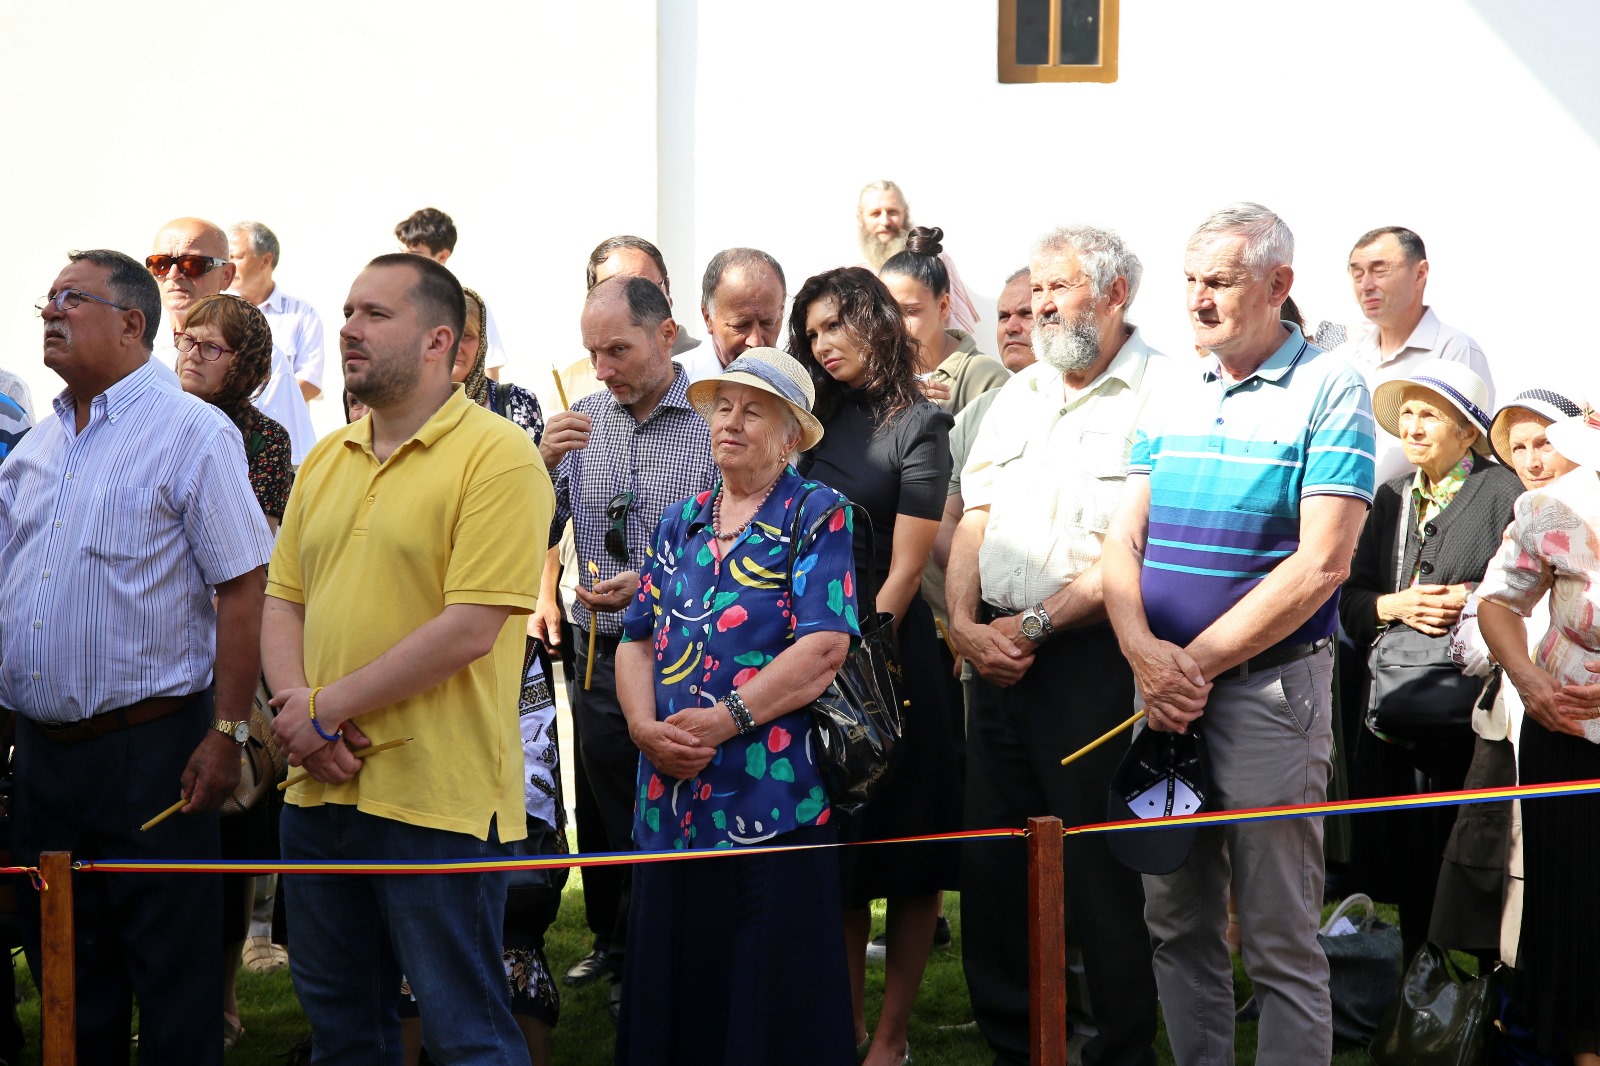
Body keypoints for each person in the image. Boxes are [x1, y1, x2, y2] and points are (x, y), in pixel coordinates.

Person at [1102, 203, 1376, 1063]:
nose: (1197, 299)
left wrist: (1191, 665)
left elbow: (1323, 563)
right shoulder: (1173, 386)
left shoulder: (1331, 385)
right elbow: (1121, 539)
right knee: (1176, 923)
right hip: (1162, 694)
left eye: (1218, 281)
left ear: (1279, 285)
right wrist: (1146, 657)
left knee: (1278, 939)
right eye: (1189, 281)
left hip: (1267, 692)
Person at [262, 252, 551, 1063]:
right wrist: (300, 718)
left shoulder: (498, 456)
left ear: (440, 342)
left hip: (439, 803)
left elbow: (470, 627)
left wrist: (321, 710)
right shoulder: (325, 457)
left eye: (374, 315)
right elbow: (283, 598)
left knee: (468, 1035)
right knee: (344, 1034)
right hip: (318, 792)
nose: (347, 328)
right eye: (348, 310)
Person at [3, 249, 272, 1064]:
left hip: (155, 752)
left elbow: (243, 588)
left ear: (131, 323)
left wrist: (226, 733)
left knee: (172, 982)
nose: (50, 312)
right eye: (47, 300)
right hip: (45, 758)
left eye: (71, 300)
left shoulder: (193, 433)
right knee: (68, 970)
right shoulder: (36, 449)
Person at [948, 225, 1174, 1066]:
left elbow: (1134, 544)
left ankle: (1117, 1046)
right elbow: (975, 512)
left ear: (1115, 295)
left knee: (1097, 869)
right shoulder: (1021, 391)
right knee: (994, 861)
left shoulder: (1163, 392)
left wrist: (1032, 626)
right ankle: (1017, 1042)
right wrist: (967, 627)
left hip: (1091, 660)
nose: (1040, 305)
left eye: (1060, 288)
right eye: (1035, 289)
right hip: (994, 658)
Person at [612, 348, 857, 1064]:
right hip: (670, 795)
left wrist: (725, 721)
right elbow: (635, 641)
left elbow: (822, 650)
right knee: (675, 991)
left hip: (767, 799)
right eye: (722, 406)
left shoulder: (818, 513)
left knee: (767, 1002)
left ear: (789, 435)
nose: (731, 421)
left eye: (753, 410)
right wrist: (640, 727)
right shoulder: (679, 521)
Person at [534, 274, 716, 1016]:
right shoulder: (579, 420)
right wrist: (538, 466)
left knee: (678, 805)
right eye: (591, 352)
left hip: (691, 653)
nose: (602, 369)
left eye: (618, 350)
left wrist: (650, 580)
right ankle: (622, 948)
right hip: (599, 650)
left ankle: (664, 959)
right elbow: (535, 535)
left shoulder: (712, 421)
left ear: (666, 336)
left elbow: (728, 540)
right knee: (613, 809)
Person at [789, 266, 957, 1066]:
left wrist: (861, 657)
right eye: (811, 331)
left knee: (910, 856)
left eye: (835, 326)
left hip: (890, 662)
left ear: (875, 324)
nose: (822, 345)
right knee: (842, 854)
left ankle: (891, 1039)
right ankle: (844, 1028)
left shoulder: (918, 424)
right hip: (805, 654)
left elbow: (905, 564)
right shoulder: (807, 419)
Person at [1339, 360, 1522, 964]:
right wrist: (1396, 603)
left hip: (1472, 713)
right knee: (1413, 866)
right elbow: (1353, 598)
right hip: (1399, 715)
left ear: (1469, 432)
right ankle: (1423, 1003)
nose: (1413, 429)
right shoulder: (1390, 498)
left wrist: (1467, 599)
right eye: (1407, 414)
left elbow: (1529, 585)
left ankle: (1492, 1007)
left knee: (1481, 858)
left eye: (1430, 416)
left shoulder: (1503, 492)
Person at [172, 291, 294, 1050]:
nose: (190, 352)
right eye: (187, 338)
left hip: (235, 646)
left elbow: (260, 551)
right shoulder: (152, 419)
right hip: (164, 649)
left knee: (233, 826)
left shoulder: (263, 440)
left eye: (211, 346)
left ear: (245, 364)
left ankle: (219, 996)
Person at [1476, 396, 1600, 1064]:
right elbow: (1497, 603)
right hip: (1569, 736)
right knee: (1576, 909)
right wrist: (1528, 679)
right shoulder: (1551, 507)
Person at [1446, 386, 1583, 969]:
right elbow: (1478, 638)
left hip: (1564, 726)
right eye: (1519, 447)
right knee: (1527, 882)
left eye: (1546, 442)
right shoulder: (1525, 524)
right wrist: (1522, 666)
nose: (1532, 460)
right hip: (1536, 726)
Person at [1329, 226, 1495, 482]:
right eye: (1357, 273)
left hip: (1422, 514)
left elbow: (1470, 454)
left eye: (1379, 270)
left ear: (1420, 273)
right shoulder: (1343, 359)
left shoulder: (1455, 349)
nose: (1366, 285)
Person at [880, 226, 1010, 414]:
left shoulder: (985, 377)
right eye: (888, 311)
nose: (896, 323)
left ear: (943, 307)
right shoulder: (876, 373)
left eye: (911, 311)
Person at [227, 220, 323, 463]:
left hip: (283, 448)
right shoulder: (219, 312)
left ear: (265, 260)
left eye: (236, 256)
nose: (229, 265)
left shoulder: (301, 314)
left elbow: (310, 381)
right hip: (229, 438)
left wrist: (259, 412)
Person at [395, 206, 509, 381]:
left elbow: (490, 367)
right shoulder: (390, 300)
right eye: (401, 252)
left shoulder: (468, 305)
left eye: (414, 254)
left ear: (442, 256)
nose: (404, 261)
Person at [855, 181, 977, 332]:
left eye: (892, 212)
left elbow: (960, 325)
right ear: (861, 218)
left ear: (905, 213)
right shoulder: (857, 273)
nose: (885, 221)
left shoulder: (932, 257)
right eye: (875, 214)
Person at [675, 247, 786, 383]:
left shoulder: (800, 386)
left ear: (782, 310)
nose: (756, 341)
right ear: (708, 317)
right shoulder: (672, 385)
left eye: (767, 323)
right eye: (740, 325)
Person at [148, 216, 236, 386]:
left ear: (226, 275)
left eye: (191, 264)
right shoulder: (131, 346)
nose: (172, 274)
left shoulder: (256, 356)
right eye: (161, 264)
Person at [456, 286, 546, 444]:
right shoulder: (408, 407)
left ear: (482, 342)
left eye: (466, 335)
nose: (454, 346)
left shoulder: (519, 403)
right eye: (442, 335)